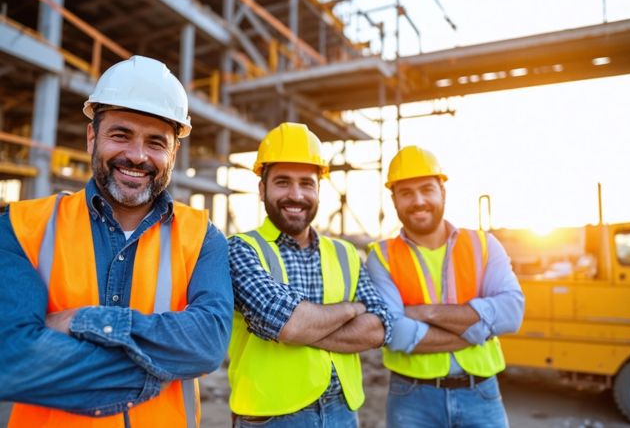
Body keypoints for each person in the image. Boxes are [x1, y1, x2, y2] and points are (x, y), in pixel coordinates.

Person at [0, 55, 234, 427]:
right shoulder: (22, 227)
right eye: (121, 134)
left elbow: (207, 344)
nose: (137, 156)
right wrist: (153, 371)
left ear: (174, 151)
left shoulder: (202, 237)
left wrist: (84, 320)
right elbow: (10, 359)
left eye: (156, 142)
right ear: (92, 136)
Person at [227, 122, 391, 427]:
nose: (296, 194)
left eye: (307, 183)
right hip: (272, 417)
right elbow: (288, 325)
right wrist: (351, 309)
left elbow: (380, 328)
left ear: (318, 189)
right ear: (262, 190)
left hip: (343, 412)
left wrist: (304, 326)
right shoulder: (241, 249)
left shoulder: (345, 253)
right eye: (283, 182)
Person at [367, 146, 524, 428]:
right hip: (412, 398)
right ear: (394, 200)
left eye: (427, 189)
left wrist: (425, 313)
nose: (418, 201)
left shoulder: (483, 245)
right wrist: (478, 331)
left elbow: (512, 313)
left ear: (443, 192)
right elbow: (396, 334)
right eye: (406, 193)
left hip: (481, 393)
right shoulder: (381, 257)